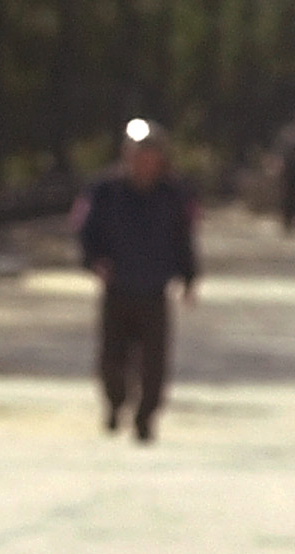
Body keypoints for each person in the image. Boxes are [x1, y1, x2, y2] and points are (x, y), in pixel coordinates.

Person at [73, 119, 198, 443]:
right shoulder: (105, 191)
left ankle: (146, 417)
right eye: (138, 154)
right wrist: (93, 261)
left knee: (154, 363)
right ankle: (116, 403)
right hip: (118, 286)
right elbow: (85, 229)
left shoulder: (172, 194)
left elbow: (184, 237)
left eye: (151, 154)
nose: (144, 161)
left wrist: (189, 277)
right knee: (112, 357)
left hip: (155, 288)